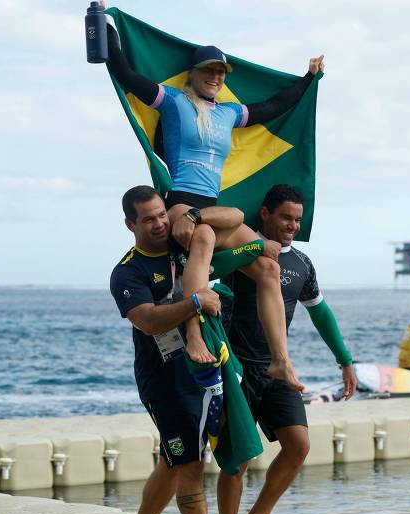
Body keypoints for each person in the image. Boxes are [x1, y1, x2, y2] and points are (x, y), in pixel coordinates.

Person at [105, 21, 324, 392]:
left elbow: (273, 107)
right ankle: (193, 335)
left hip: (212, 206)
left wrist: (308, 78)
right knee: (204, 235)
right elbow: (125, 73)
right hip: (182, 202)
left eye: (221, 72)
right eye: (209, 70)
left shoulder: (228, 114)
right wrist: (106, 25)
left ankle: (280, 361)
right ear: (194, 73)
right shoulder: (173, 100)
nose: (216, 77)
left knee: (268, 268)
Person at [109, 185, 256, 514]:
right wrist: (194, 302)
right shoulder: (128, 271)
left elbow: (237, 217)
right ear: (130, 224)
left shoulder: (181, 238)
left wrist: (194, 216)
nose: (159, 223)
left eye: (161, 214)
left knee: (174, 460)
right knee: (189, 462)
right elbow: (147, 319)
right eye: (148, 219)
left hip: (205, 369)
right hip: (164, 379)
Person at [217, 184, 357, 514]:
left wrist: (345, 360)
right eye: (285, 218)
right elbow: (215, 273)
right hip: (238, 368)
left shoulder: (302, 264)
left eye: (297, 219)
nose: (293, 225)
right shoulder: (241, 251)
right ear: (264, 214)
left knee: (298, 445)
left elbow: (321, 313)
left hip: (278, 369)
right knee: (238, 457)